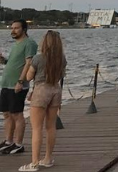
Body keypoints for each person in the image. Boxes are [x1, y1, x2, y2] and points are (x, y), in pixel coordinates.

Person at [19, 31, 66, 171]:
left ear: (45, 42)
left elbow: (28, 77)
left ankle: (34, 163)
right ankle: (48, 158)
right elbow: (61, 75)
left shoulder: (38, 58)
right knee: (50, 127)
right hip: (56, 90)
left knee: (37, 128)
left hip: (41, 90)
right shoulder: (62, 59)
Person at [0, 19, 38, 156]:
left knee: (17, 114)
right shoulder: (16, 44)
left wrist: (21, 81)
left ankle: (19, 144)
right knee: (6, 113)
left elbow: (28, 64)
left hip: (18, 85)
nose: (13, 30)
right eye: (12, 28)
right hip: (6, 84)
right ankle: (8, 141)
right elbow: (13, 63)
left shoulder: (30, 43)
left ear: (24, 29)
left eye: (16, 28)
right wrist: (3, 60)